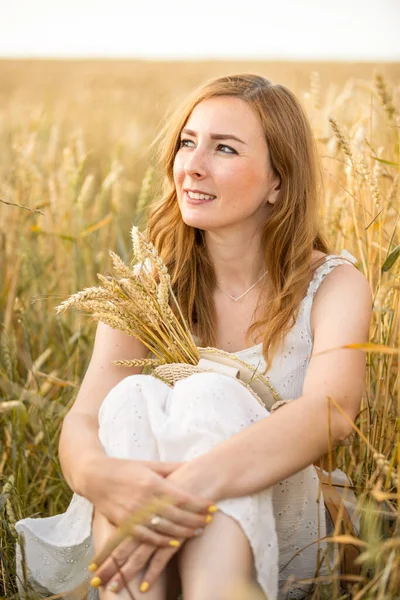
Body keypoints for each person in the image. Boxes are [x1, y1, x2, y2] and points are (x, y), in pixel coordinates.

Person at [15, 73, 372, 600]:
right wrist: (101, 479)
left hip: (282, 528)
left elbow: (332, 409)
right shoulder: (149, 288)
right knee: (134, 396)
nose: (192, 165)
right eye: (188, 142)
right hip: (142, 510)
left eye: (224, 148)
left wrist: (190, 484)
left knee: (208, 390)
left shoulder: (333, 283)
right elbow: (86, 418)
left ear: (279, 181)